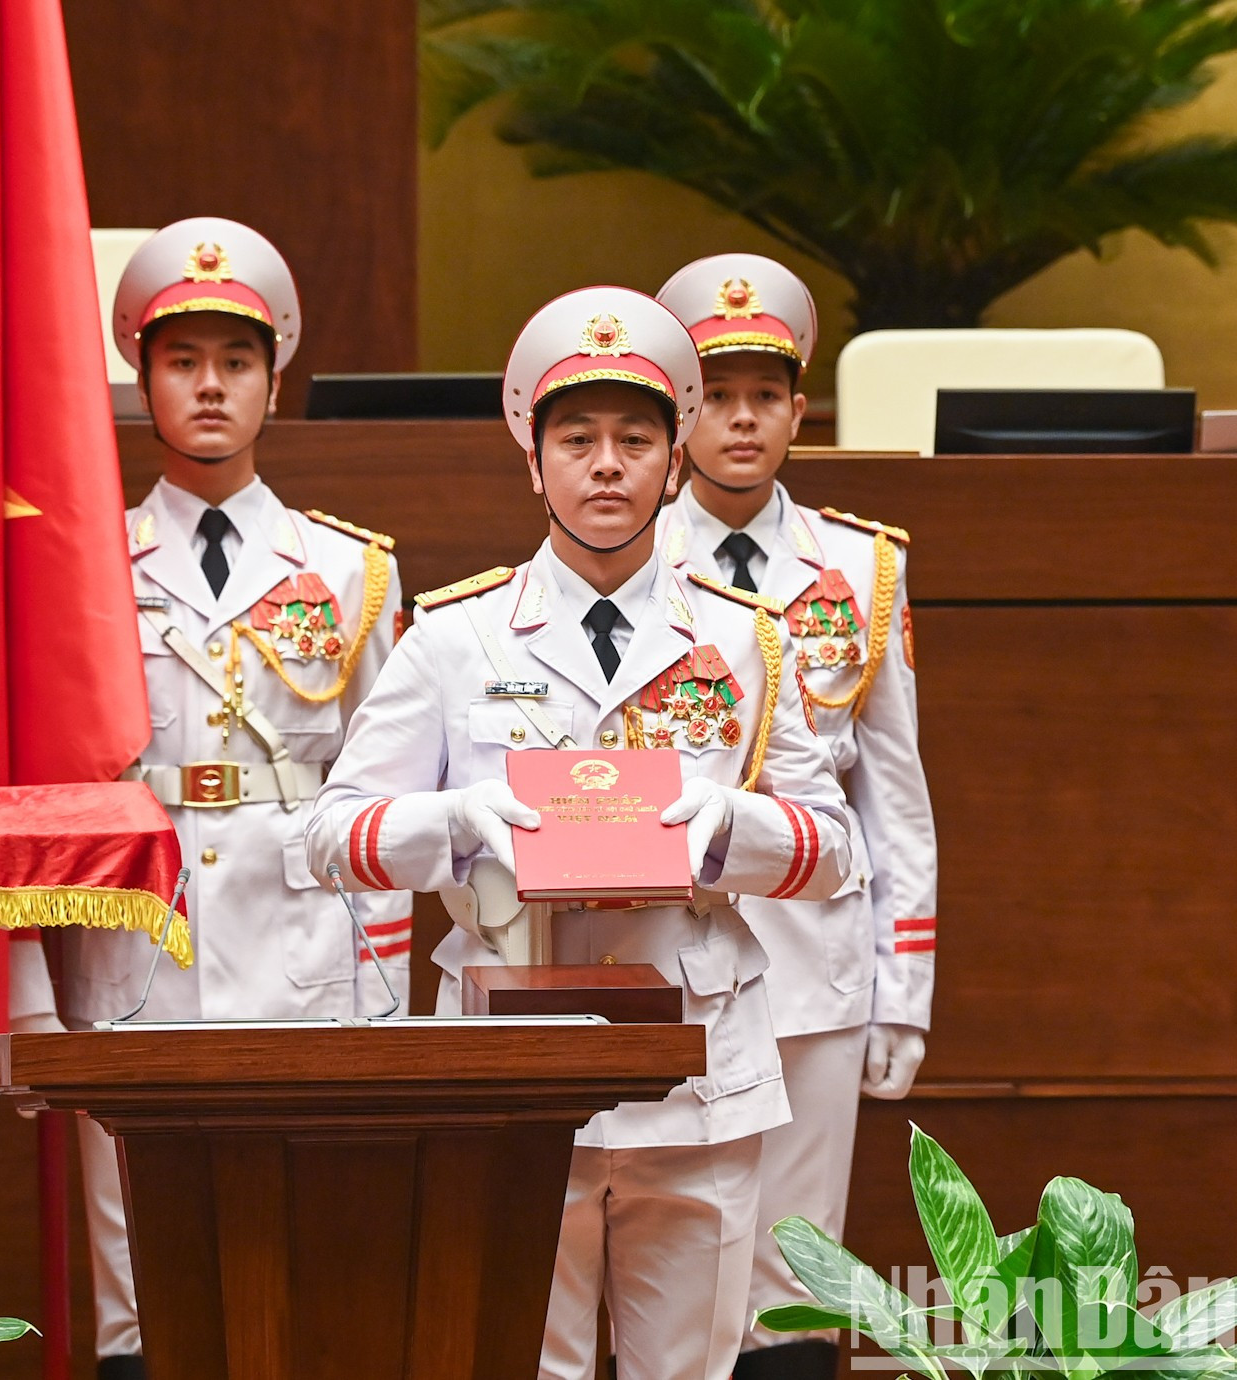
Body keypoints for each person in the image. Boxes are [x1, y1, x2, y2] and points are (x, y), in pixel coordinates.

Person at [305, 285, 852, 1380]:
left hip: (694, 1064)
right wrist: (457, 824)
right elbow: (332, 837)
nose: (607, 464)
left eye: (636, 438)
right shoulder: (455, 638)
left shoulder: (747, 642)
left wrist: (727, 827)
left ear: (676, 459)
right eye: (578, 439)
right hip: (508, 1057)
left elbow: (835, 849)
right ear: (533, 458)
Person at [56, 217, 412, 1380]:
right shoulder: (85, 566)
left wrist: (385, 980)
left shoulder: (351, 568)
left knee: (302, 1265)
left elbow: (387, 785)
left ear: (274, 378)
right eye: (181, 361)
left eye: (237, 362)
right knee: (142, 1294)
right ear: (141, 373)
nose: (210, 386)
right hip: (139, 945)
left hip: (304, 940)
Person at [655, 253, 936, 1380]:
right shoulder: (627, 559)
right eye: (716, 394)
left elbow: (896, 793)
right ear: (682, 407)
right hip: (672, 959)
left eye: (762, 395)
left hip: (818, 969)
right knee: (674, 1257)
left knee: (794, 1275)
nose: (739, 419)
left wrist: (902, 988)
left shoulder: (858, 569)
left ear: (798, 409)